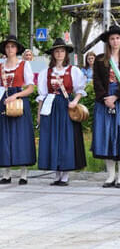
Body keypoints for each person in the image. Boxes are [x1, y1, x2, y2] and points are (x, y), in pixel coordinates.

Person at [37, 38, 87, 186]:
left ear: (66, 54)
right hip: (50, 107)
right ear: (53, 54)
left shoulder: (74, 71)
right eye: (57, 51)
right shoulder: (46, 73)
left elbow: (80, 90)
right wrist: (39, 114)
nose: (59, 54)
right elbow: (42, 95)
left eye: (62, 51)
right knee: (52, 139)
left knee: (66, 139)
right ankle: (56, 174)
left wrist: (75, 102)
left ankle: (65, 175)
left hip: (67, 107)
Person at [0, 35, 36, 185]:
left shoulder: (24, 65)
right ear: (5, 49)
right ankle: (6, 173)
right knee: (4, 137)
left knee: (21, 136)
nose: (10, 49)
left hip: (19, 103)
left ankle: (24, 174)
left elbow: (30, 88)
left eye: (12, 47)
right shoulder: (0, 67)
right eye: (7, 47)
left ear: (17, 49)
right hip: (3, 101)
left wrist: (16, 95)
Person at [91, 25, 120, 187]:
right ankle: (110, 176)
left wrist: (116, 96)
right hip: (104, 101)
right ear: (108, 41)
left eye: (117, 38)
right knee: (107, 137)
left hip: (119, 98)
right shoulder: (101, 59)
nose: (115, 41)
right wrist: (106, 98)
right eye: (112, 38)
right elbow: (97, 82)